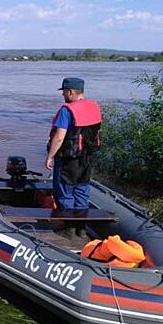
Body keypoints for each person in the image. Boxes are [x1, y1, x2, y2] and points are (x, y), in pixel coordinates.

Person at [45, 77, 102, 237]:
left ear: (70, 92)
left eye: (64, 92)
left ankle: (68, 229)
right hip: (87, 160)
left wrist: (50, 156)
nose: (63, 95)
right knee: (82, 192)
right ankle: (82, 229)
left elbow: (59, 137)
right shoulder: (94, 107)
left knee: (65, 193)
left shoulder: (67, 110)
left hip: (68, 160)